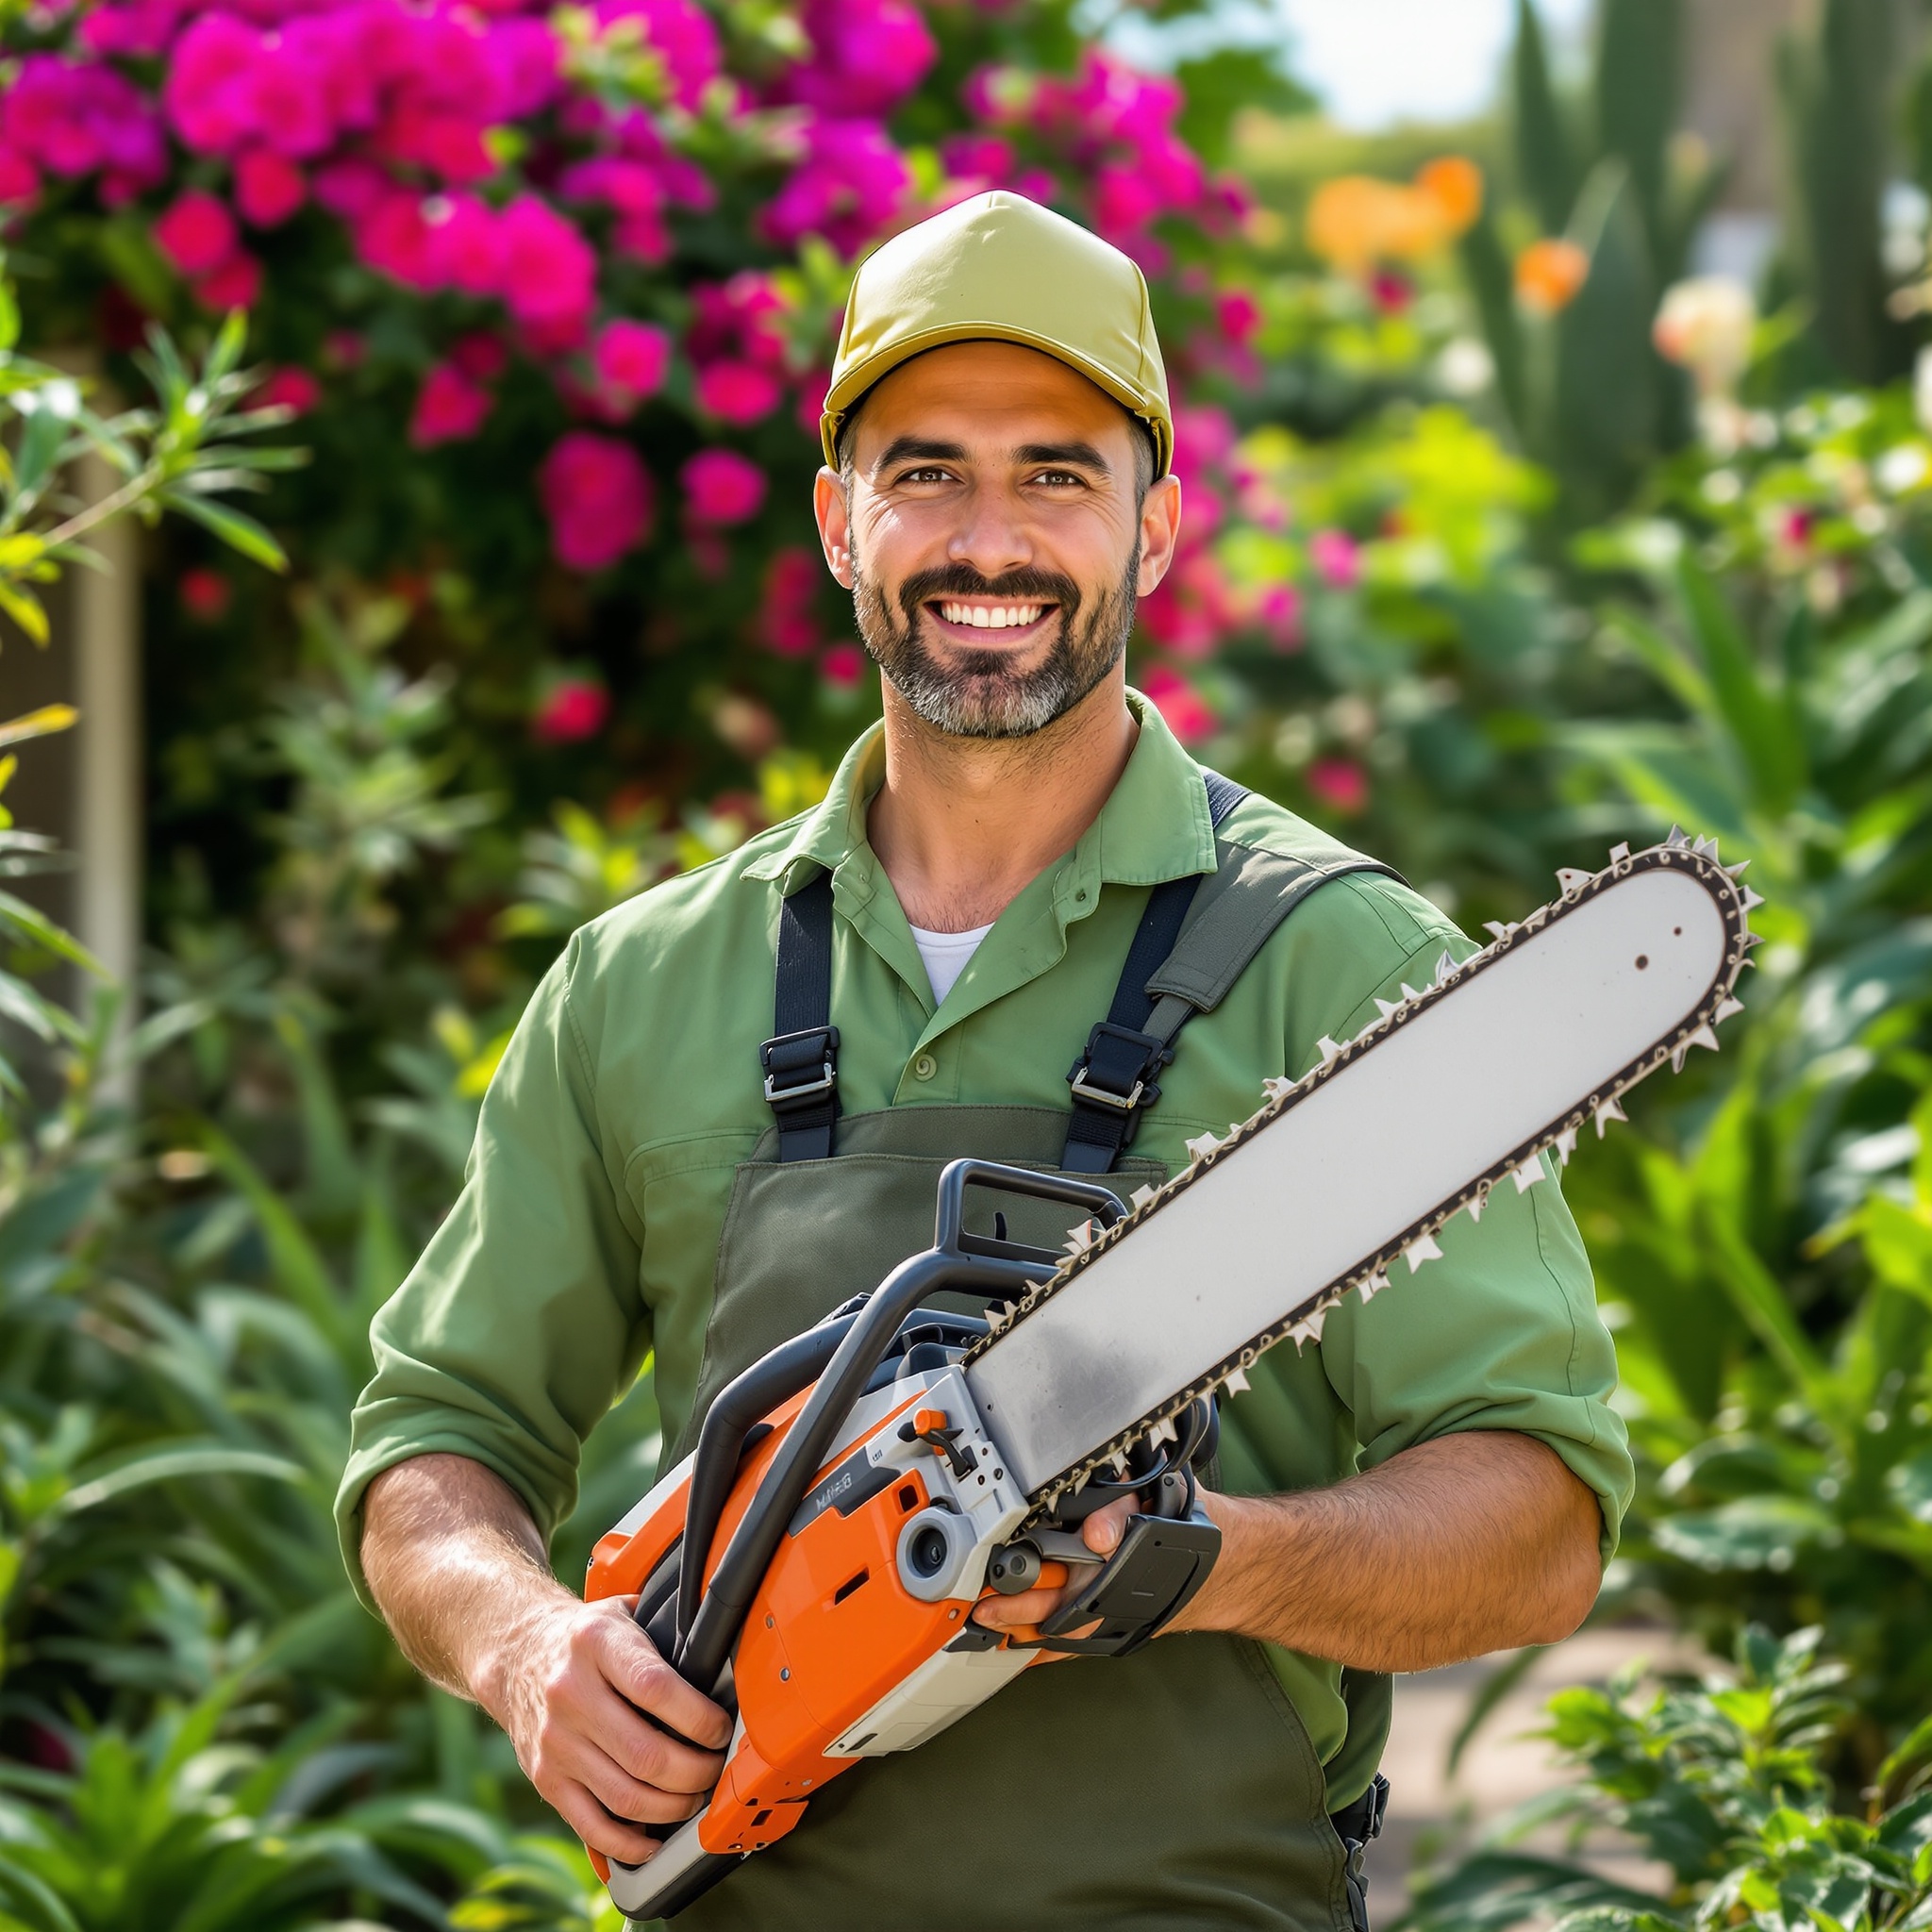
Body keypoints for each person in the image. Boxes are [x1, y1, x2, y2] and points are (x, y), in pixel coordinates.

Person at [338, 192, 1633, 1931]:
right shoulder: (643, 983)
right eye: (928, 472)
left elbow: (1539, 1523)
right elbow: (436, 1434)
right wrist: (521, 1645)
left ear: (1155, 529)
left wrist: (1211, 1566)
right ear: (839, 522)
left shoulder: (1351, 966)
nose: (991, 541)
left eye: (1057, 475)